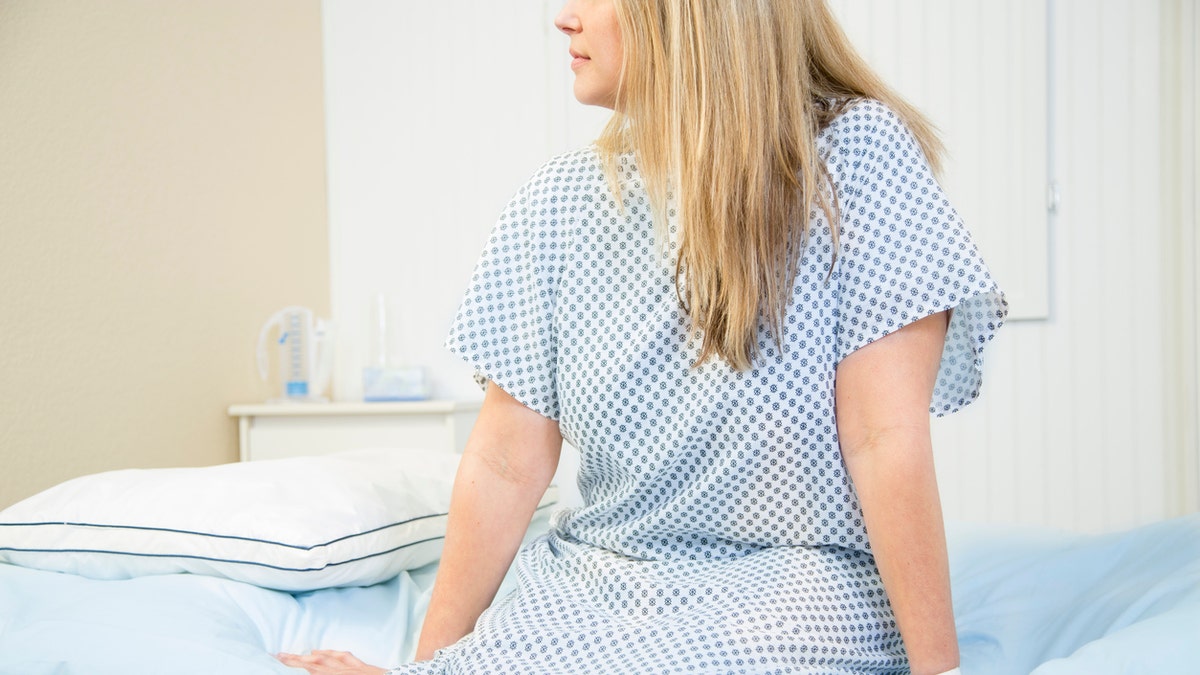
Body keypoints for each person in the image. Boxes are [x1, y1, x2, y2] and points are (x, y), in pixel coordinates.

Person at [278, 0, 1007, 673]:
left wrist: (938, 670)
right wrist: (428, 665)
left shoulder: (858, 157)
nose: (563, 18)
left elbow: (884, 436)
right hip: (592, 586)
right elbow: (504, 462)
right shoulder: (557, 203)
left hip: (793, 589)